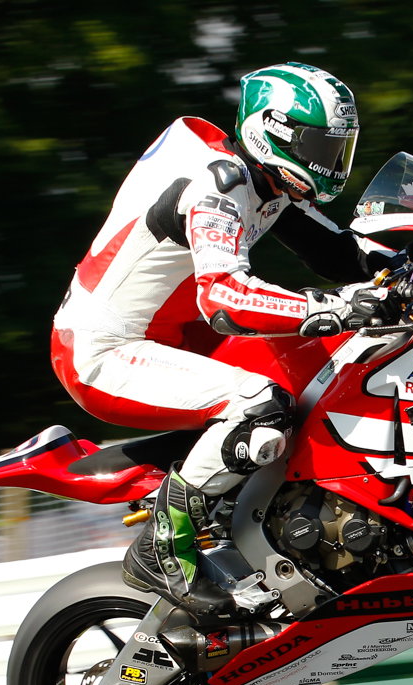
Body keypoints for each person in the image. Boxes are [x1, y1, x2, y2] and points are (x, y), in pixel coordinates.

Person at [51, 62, 394, 617]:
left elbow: (337, 251)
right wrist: (336, 306)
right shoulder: (218, 184)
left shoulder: (268, 182)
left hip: (175, 343)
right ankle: (165, 543)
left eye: (338, 149)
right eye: (318, 145)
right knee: (262, 405)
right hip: (103, 352)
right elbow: (226, 301)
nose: (331, 162)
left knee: (326, 367)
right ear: (273, 130)